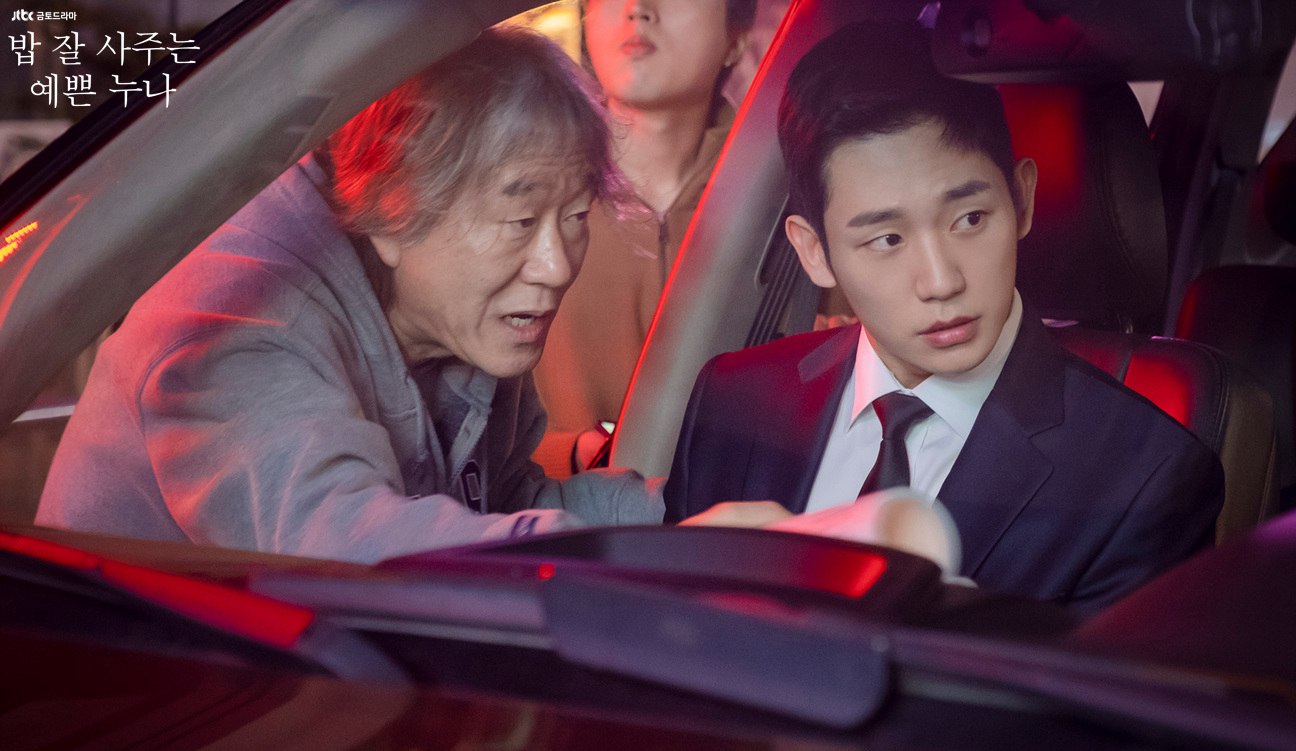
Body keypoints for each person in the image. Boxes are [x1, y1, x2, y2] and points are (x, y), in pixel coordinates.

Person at [37, 27, 663, 563]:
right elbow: (348, 550)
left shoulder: (459, 311)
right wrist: (619, 560)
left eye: (576, 216)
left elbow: (496, 509)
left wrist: (681, 515)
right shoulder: (241, 321)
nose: (556, 267)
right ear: (394, 210)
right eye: (520, 222)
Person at [664, 21, 1225, 613]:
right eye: (886, 240)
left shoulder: (1145, 478)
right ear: (813, 252)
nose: (941, 282)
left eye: (970, 219)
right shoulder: (731, 402)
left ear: (1021, 199)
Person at [531, 0, 756, 475]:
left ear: (737, 36)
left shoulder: (781, 195)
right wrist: (571, 455)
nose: (637, 9)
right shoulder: (523, 189)